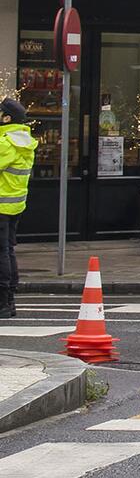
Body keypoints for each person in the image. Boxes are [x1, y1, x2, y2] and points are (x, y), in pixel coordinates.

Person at [0, 98, 35, 318]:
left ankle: (4, 301)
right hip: (15, 205)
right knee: (8, 251)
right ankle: (10, 297)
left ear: (7, 118)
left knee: (1, 253)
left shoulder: (6, 143)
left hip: (1, 205)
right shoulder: (24, 140)